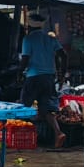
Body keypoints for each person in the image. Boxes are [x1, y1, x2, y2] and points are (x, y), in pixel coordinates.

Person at [20, 11, 66, 148]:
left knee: (23, 105)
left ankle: (21, 135)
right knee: (46, 109)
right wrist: (61, 72)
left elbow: (25, 59)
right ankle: (58, 133)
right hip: (49, 77)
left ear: (29, 26)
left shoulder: (28, 39)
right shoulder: (51, 39)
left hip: (34, 76)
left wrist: (19, 71)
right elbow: (63, 55)